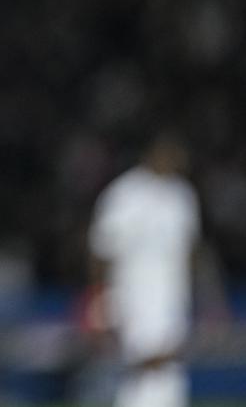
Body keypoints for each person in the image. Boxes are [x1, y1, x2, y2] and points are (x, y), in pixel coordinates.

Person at [88, 132, 201, 407]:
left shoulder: (182, 196)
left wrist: (196, 295)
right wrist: (99, 301)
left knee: (169, 369)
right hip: (133, 295)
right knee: (140, 367)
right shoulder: (124, 194)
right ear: (150, 153)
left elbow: (190, 251)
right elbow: (101, 251)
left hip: (172, 296)